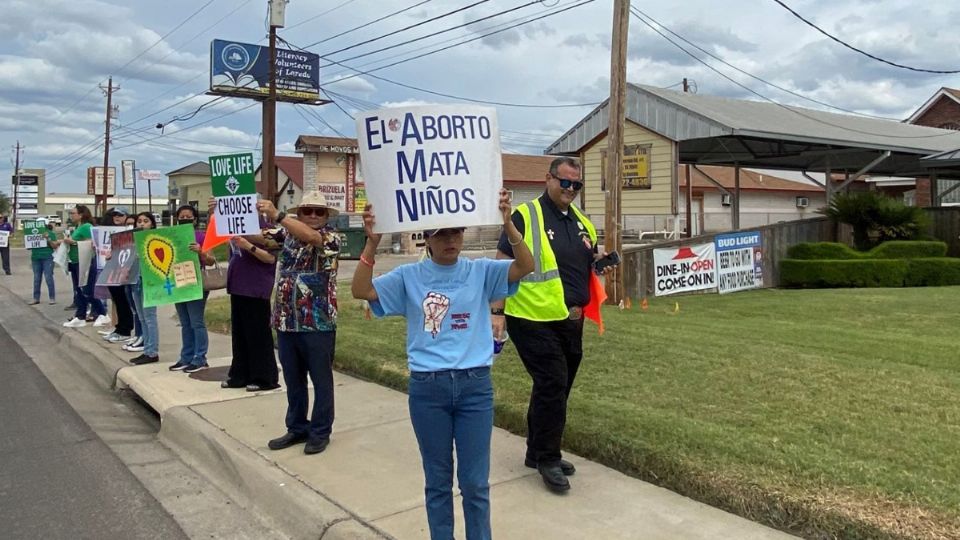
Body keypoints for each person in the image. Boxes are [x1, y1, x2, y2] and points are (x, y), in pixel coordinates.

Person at [352, 189, 533, 540]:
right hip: (428, 389)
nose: (451, 239)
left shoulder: (481, 271)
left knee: (475, 483)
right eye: (441, 233)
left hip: (474, 387)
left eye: (457, 232)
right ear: (427, 240)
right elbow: (362, 291)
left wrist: (508, 225)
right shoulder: (408, 277)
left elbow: (526, 266)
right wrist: (371, 244)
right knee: (437, 482)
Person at [491, 157, 616, 494]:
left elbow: (587, 261)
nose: (571, 190)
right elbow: (501, 263)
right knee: (552, 380)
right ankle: (548, 458)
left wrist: (600, 263)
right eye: (566, 183)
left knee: (557, 387)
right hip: (530, 316)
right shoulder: (526, 215)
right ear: (549, 179)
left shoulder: (581, 223)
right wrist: (497, 310)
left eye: (577, 185)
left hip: (570, 319)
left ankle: (536, 450)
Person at [256, 192, 340, 456]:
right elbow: (260, 238)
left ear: (326, 216)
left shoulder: (331, 236)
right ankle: (297, 427)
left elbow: (313, 238)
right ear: (299, 213)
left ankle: (320, 431)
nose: (313, 216)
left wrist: (279, 216)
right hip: (285, 320)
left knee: (321, 380)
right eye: (307, 211)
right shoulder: (287, 235)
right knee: (293, 380)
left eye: (319, 212)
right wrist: (224, 221)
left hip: (317, 322)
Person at [209, 198, 281, 392]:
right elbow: (216, 234)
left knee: (257, 334)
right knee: (240, 334)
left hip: (256, 287)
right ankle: (239, 374)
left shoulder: (267, 229)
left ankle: (264, 377)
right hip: (239, 285)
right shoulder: (233, 226)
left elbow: (270, 258)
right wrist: (215, 211)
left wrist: (248, 245)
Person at [168, 205, 214, 374]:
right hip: (179, 281)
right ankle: (186, 356)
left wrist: (200, 251)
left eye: (189, 216)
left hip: (196, 281)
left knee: (196, 322)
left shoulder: (202, 236)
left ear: (194, 219)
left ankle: (200, 357)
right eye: (182, 216)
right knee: (185, 323)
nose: (185, 219)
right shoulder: (172, 236)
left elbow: (211, 260)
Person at [63, 205, 110, 328]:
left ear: (81, 214)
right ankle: (80, 315)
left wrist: (73, 242)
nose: (71, 215)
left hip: (84, 261)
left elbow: (92, 243)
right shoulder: (77, 227)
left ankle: (102, 313)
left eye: (73, 213)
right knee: (78, 290)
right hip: (74, 261)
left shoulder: (86, 227)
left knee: (86, 289)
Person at [129, 212, 161, 365]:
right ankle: (146, 349)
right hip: (135, 281)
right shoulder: (132, 241)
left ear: (152, 225)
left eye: (146, 221)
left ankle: (152, 351)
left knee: (150, 317)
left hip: (149, 283)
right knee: (141, 317)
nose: (141, 224)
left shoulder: (154, 240)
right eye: (139, 221)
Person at [101, 208, 135, 344]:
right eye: (115, 215)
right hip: (114, 270)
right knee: (117, 300)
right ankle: (119, 328)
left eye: (120, 215)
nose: (117, 217)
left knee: (125, 301)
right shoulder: (111, 232)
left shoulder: (129, 231)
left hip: (126, 272)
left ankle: (125, 330)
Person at [28, 219, 59, 305]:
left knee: (48, 277)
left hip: (47, 257)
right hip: (35, 258)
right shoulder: (33, 233)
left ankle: (52, 298)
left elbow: (54, 246)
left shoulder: (50, 233)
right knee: (36, 279)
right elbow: (29, 246)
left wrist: (48, 238)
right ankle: (36, 298)